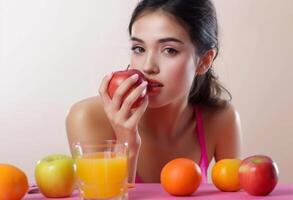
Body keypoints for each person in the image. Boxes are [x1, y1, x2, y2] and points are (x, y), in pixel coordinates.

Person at [66, 0, 242, 184]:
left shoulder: (221, 120)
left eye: (169, 50)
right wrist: (127, 142)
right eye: (139, 49)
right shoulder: (87, 117)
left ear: (204, 61)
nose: (148, 66)